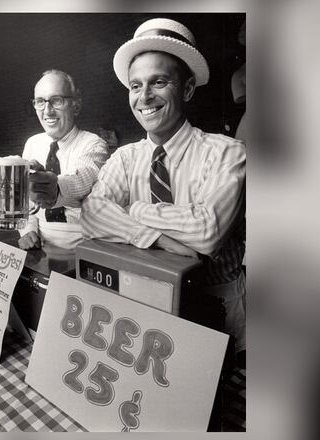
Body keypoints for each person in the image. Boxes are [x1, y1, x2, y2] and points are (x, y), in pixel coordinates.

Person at [81, 18, 246, 356]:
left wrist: (135, 210)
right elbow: (91, 213)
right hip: (149, 308)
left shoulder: (227, 152)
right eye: (135, 85)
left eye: (158, 82)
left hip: (221, 314)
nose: (144, 97)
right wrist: (151, 236)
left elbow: (207, 232)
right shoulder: (125, 157)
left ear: (187, 89)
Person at [19, 70, 109, 250]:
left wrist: (55, 187)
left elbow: (83, 178)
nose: (47, 110)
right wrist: (28, 230)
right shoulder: (32, 144)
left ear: (76, 105)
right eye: (40, 101)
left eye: (57, 100)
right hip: (39, 245)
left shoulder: (94, 144)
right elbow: (25, 203)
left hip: (83, 245)